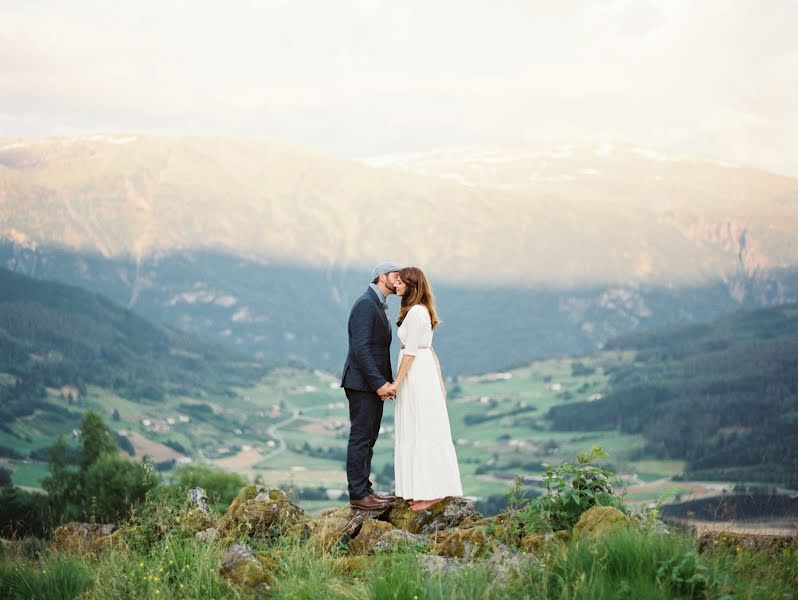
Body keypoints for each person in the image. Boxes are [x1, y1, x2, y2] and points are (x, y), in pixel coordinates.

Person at [392, 266, 462, 512]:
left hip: (417, 376)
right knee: (417, 428)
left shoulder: (416, 313)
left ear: (410, 285)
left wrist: (396, 383)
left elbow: (410, 353)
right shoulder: (417, 311)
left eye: (399, 282)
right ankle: (421, 488)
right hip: (419, 374)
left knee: (423, 429)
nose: (396, 285)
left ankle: (433, 493)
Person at [340, 262, 402, 510]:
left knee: (368, 438)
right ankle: (358, 495)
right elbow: (361, 349)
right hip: (362, 384)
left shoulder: (378, 304)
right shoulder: (366, 304)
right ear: (381, 277)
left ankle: (365, 490)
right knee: (361, 438)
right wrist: (379, 384)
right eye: (395, 276)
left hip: (371, 384)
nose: (399, 281)